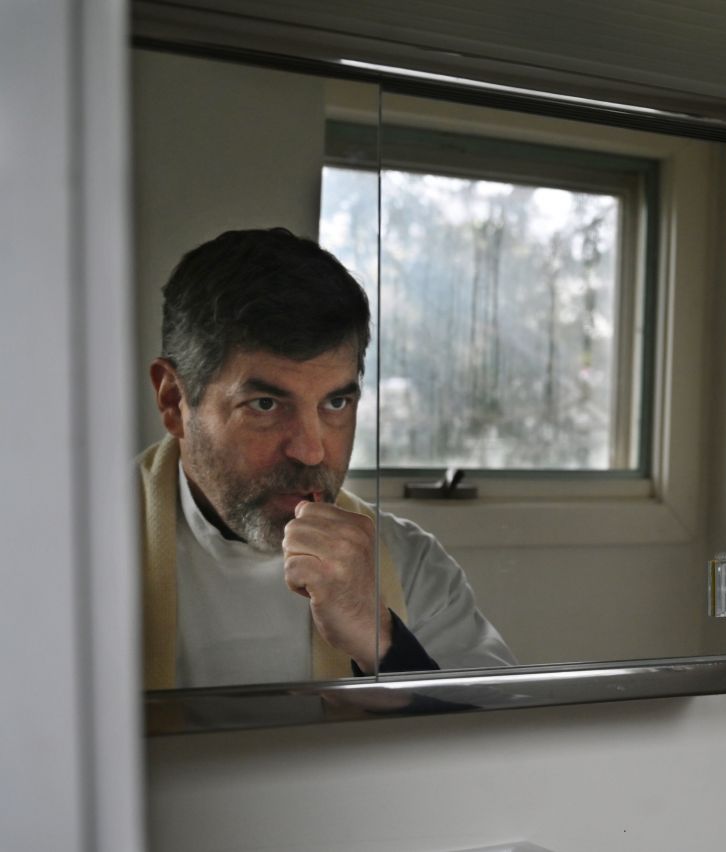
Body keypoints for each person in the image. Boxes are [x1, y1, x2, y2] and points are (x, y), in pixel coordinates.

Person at [140, 227, 515, 690]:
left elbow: (493, 750)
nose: (312, 451)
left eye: (335, 404)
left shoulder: (408, 565)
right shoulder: (71, 554)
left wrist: (383, 643)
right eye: (265, 405)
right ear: (174, 400)